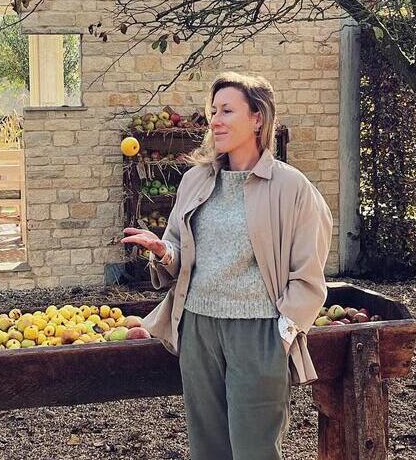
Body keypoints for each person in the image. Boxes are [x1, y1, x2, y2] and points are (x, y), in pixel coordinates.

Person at [123, 72, 333, 460]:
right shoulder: (195, 181)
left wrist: (282, 335)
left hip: (257, 333)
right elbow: (179, 251)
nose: (215, 120)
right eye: (213, 111)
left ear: (257, 118)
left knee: (255, 451)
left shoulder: (292, 188)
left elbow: (308, 274)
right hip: (198, 328)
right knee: (207, 449)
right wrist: (163, 250)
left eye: (227, 111)